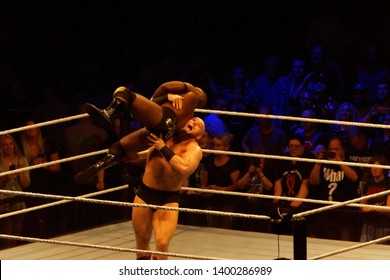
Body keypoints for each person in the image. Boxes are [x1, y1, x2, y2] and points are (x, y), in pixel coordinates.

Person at [75, 81, 207, 185]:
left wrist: (166, 96)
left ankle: (108, 114)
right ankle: (100, 165)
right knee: (118, 148)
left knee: (124, 92)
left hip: (163, 117)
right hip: (161, 135)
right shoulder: (190, 114)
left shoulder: (192, 92)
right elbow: (181, 133)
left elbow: (165, 86)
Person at [131, 116, 205, 260]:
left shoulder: (194, 149)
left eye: (198, 124)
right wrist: (136, 157)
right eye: (192, 119)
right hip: (145, 192)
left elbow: (184, 167)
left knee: (162, 243)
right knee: (141, 240)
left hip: (167, 198)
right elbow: (152, 150)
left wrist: (163, 147)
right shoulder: (167, 135)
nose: (193, 122)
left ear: (199, 135)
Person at [0, 134, 30, 249]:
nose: (8, 147)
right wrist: (6, 178)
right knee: (7, 238)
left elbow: (25, 184)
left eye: (10, 144)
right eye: (5, 145)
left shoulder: (22, 160)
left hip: (18, 201)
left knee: (16, 236)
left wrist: (20, 171)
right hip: (3, 203)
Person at [359, 156, 390, 244]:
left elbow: (388, 208)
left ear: (383, 168)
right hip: (368, 223)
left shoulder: (388, 183)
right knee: (363, 248)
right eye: (373, 167)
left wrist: (372, 208)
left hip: (384, 224)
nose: (374, 169)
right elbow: (362, 206)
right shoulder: (368, 183)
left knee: (380, 251)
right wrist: (374, 207)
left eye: (377, 167)